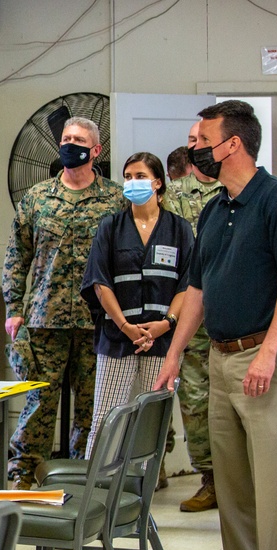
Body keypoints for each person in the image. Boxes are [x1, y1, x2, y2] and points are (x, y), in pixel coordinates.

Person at [155, 100, 277, 550]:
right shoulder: (214, 208)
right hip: (219, 360)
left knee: (272, 490)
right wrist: (173, 354)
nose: (194, 146)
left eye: (202, 138)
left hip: (262, 359)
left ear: (232, 145)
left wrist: (268, 350)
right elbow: (196, 288)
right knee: (235, 487)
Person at [3, 117, 124, 489]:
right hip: (44, 320)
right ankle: (23, 476)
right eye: (66, 138)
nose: (71, 144)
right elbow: (16, 257)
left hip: (97, 322)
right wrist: (14, 310)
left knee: (92, 410)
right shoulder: (37, 197)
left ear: (96, 150)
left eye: (80, 140)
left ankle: (84, 480)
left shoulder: (115, 200)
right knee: (38, 404)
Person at [81, 152, 194, 458]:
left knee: (151, 423)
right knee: (106, 419)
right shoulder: (111, 227)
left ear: (158, 183)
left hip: (162, 340)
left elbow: (189, 284)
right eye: (128, 176)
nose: (133, 182)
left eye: (140, 176)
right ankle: (98, 492)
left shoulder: (179, 229)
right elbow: (100, 282)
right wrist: (125, 327)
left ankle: (141, 493)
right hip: (118, 338)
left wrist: (166, 323)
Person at [162, 121, 224, 512]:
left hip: (233, 318)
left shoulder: (238, 192)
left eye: (202, 140)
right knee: (195, 405)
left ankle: (240, 482)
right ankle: (210, 480)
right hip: (189, 318)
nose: (196, 146)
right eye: (191, 141)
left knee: (239, 407)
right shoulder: (172, 195)